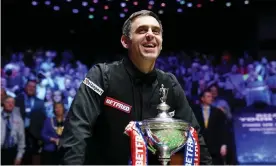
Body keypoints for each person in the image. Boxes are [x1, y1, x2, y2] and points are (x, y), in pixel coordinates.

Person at [58, 10, 212, 165]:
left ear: (161, 42)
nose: (150, 34)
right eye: (142, 30)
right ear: (125, 41)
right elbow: (77, 130)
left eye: (156, 31)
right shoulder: (102, 76)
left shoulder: (170, 83)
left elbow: (194, 136)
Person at [1, 96, 25, 165]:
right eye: (8, 102)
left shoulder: (18, 119)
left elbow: (21, 140)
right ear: (3, 103)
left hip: (11, 152)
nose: (10, 104)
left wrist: (19, 157)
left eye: (12, 103)